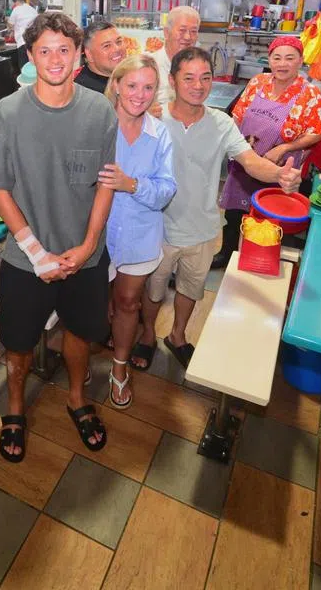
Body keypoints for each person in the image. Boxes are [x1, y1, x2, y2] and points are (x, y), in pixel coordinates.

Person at [0, 12, 117, 462]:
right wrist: (35, 251)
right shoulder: (9, 112)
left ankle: (77, 396)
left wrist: (89, 244)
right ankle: (15, 407)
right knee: (17, 343)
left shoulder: (99, 111)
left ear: (78, 54)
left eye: (64, 49)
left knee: (80, 334)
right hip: (24, 259)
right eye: (44, 50)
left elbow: (106, 182)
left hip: (83, 257)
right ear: (30, 56)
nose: (55, 59)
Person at [138, 48, 301, 368]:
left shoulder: (222, 123)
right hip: (158, 228)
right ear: (172, 81)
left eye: (205, 77)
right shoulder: (155, 118)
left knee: (190, 288)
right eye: (189, 78)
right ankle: (146, 336)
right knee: (153, 289)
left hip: (201, 228)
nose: (198, 85)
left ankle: (178, 336)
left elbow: (251, 162)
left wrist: (280, 175)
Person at [101, 55, 176, 407]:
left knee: (129, 302)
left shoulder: (159, 134)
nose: (139, 94)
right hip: (95, 234)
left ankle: (119, 368)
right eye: (132, 85)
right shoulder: (96, 125)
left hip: (139, 232)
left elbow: (165, 191)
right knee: (96, 302)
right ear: (116, 85)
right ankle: (82, 358)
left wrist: (131, 184)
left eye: (148, 87)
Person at [212, 36, 321, 268]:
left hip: (279, 169)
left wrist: (285, 147)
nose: (282, 64)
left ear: (301, 61)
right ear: (270, 60)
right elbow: (238, 114)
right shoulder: (258, 82)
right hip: (245, 161)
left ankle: (265, 261)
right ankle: (228, 254)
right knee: (234, 213)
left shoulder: (310, 93)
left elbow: (317, 131)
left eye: (290, 58)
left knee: (272, 220)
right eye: (277, 57)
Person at [149, 6, 201, 106]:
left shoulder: (198, 68)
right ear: (166, 33)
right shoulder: (150, 66)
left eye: (193, 31)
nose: (188, 37)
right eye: (182, 30)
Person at [75, 20, 128, 95]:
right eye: (107, 46)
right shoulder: (89, 95)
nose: (117, 49)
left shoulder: (124, 76)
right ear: (89, 55)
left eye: (119, 42)